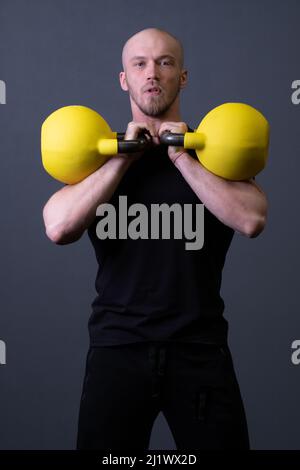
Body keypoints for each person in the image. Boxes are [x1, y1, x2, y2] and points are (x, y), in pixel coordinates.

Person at [43, 28, 268, 450]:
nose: (153, 74)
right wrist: (121, 162)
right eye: (140, 64)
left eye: (165, 63)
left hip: (199, 349)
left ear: (182, 77)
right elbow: (58, 227)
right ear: (124, 79)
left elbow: (252, 219)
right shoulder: (99, 156)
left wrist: (181, 155)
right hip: (118, 347)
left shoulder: (214, 153)